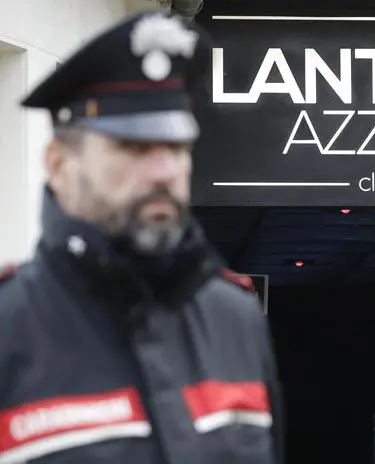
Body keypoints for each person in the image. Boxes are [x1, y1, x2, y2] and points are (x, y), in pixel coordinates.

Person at [0, 11, 283, 464]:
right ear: (58, 163)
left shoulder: (236, 319)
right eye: (133, 147)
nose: (164, 171)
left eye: (176, 147)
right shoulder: (9, 324)